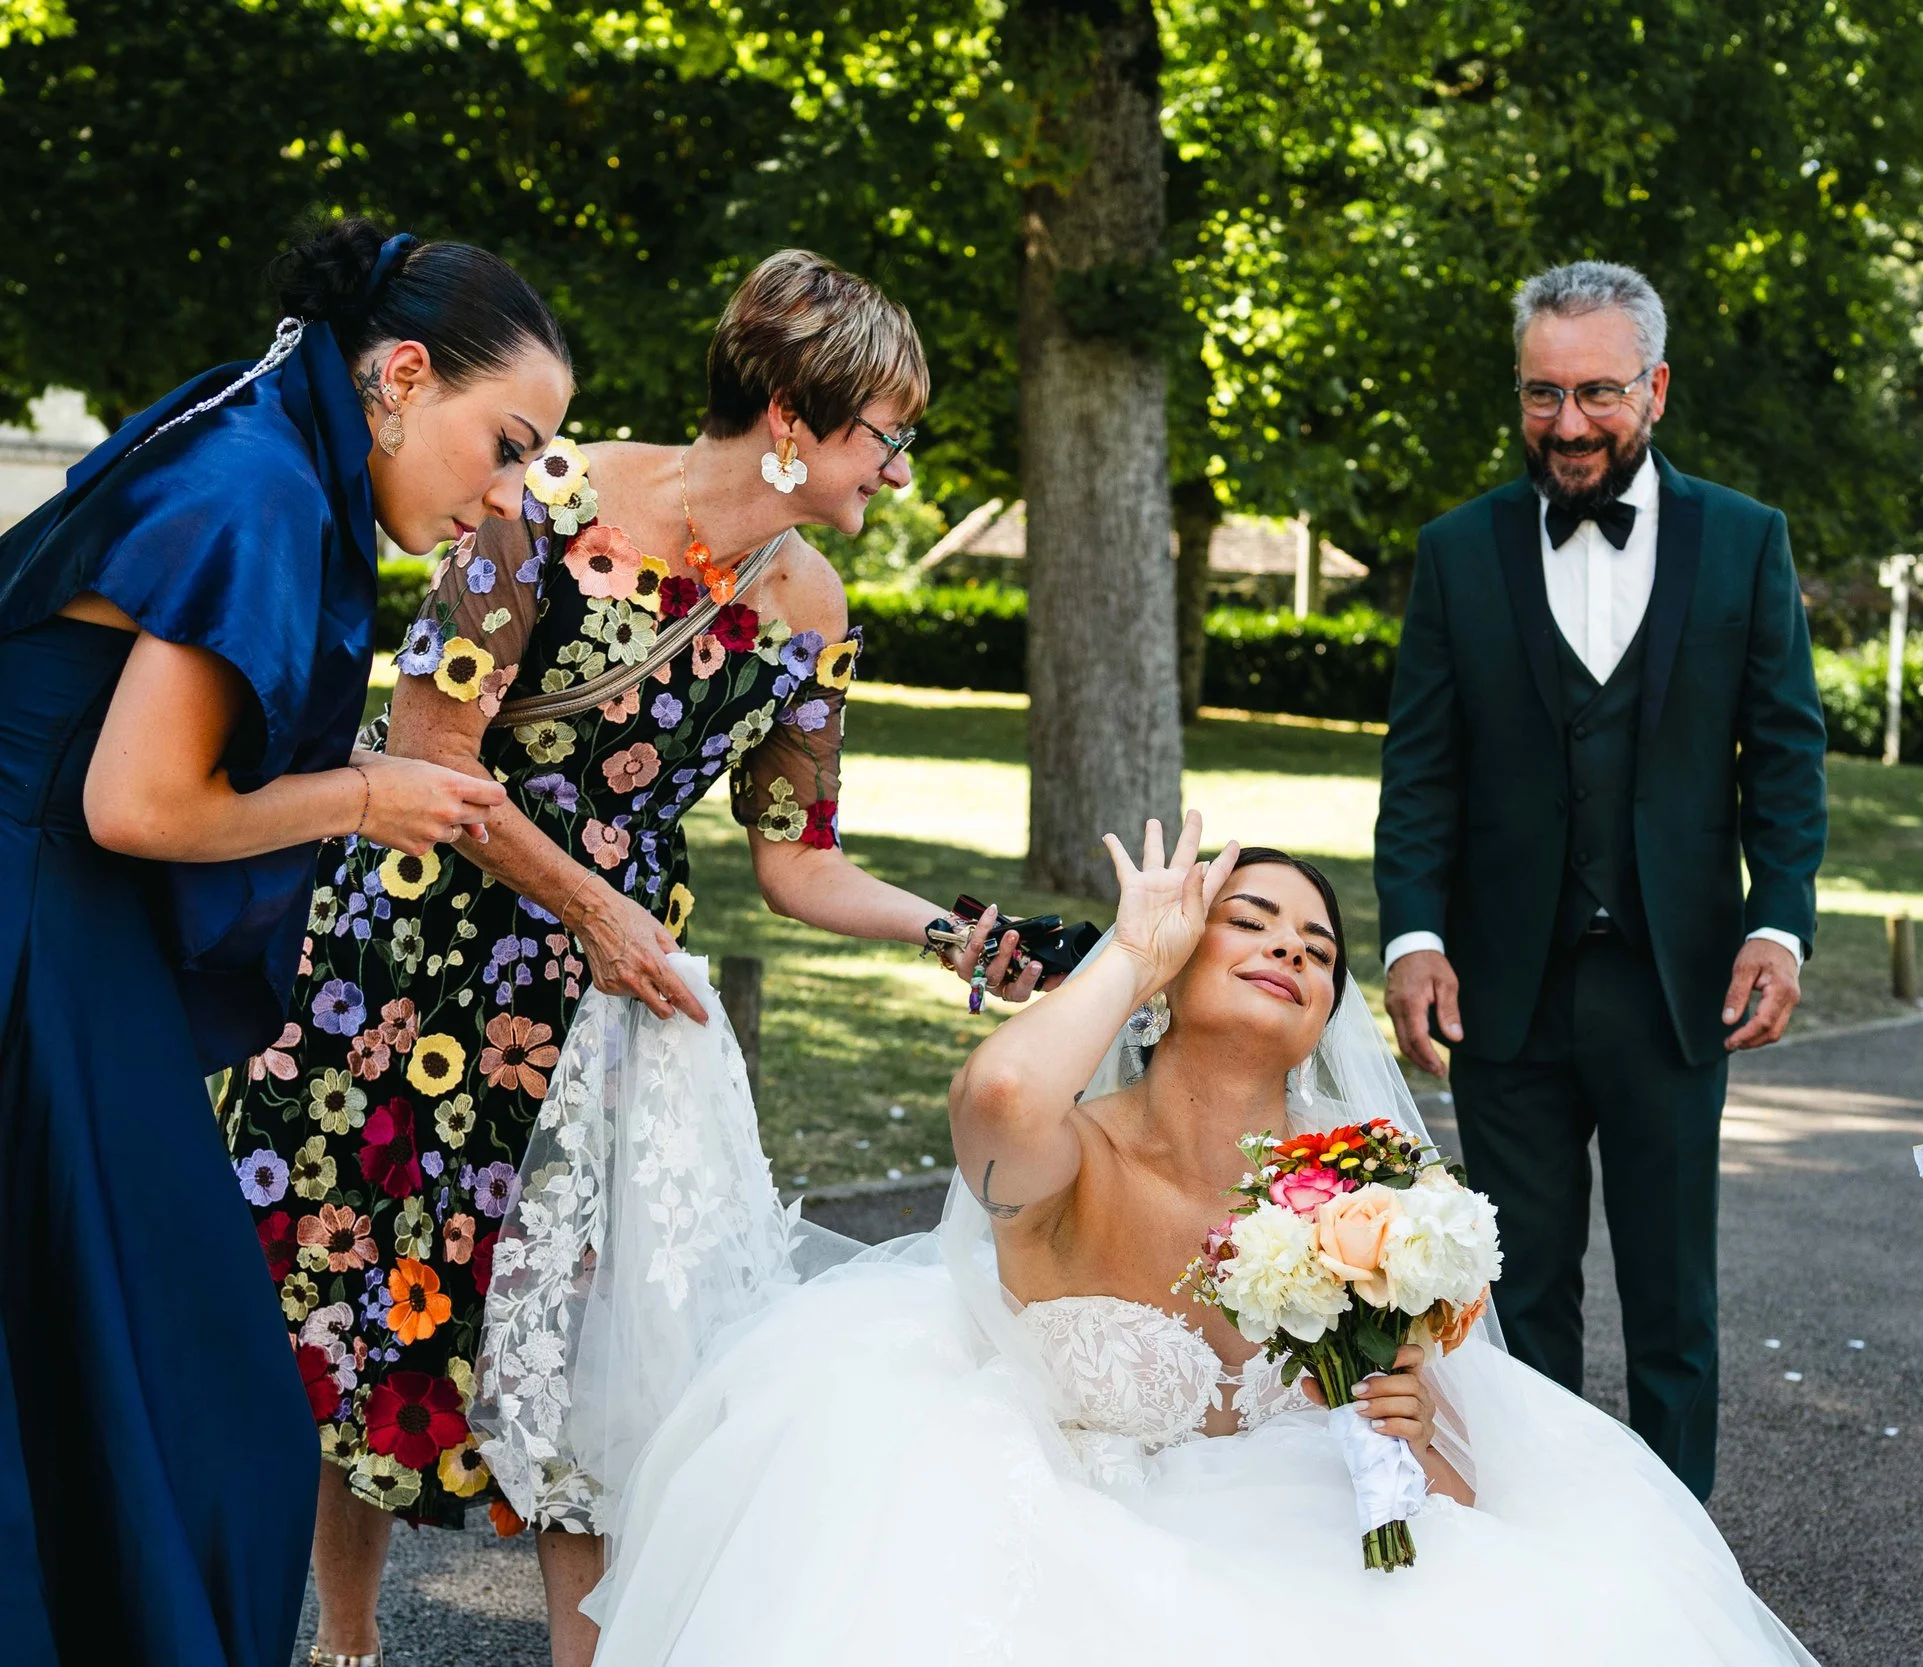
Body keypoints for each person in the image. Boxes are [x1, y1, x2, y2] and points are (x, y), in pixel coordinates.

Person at [215, 249, 1029, 1667]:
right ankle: (343, 1638)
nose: (897, 471)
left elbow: (796, 859)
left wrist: (956, 934)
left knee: (592, 1337)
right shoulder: (537, 508)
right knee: (364, 1288)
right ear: (792, 416)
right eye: (885, 433)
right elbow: (429, 756)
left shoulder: (811, 609)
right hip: (411, 955)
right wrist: (594, 904)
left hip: (605, 1005)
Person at [486, 814, 1818, 1665]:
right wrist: (1124, 948)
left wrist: (1409, 1429)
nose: (1292, 951)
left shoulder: (1368, 1183)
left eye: (1318, 946)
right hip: (1059, 1541)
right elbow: (999, 1099)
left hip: (1315, 1550)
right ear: (1175, 963)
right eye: (1251, 921)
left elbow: (1448, 1494)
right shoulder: (1082, 1145)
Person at [0, 219, 564, 1667]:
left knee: (119, 1361)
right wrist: (373, 793)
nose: (508, 497)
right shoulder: (258, 482)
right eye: (505, 445)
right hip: (37, 923)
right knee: (204, 1392)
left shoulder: (260, 436)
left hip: (63, 917)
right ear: (402, 374)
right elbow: (139, 803)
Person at [1373, 260, 1826, 1497]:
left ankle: (1678, 1565)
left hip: (1675, 983)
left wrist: (1777, 924)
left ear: (1656, 388)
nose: (1567, 425)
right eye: (1541, 394)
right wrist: (1411, 935)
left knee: (1674, 1298)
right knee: (1518, 1293)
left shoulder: (1745, 541)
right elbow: (1420, 768)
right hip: (1500, 988)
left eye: (1596, 393)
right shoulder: (1457, 551)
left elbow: (1784, 756)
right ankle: (1538, 1545)